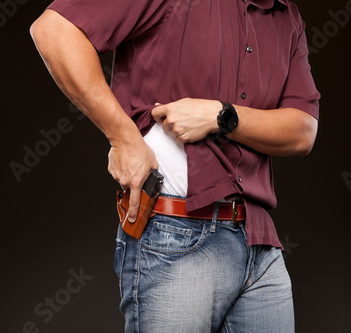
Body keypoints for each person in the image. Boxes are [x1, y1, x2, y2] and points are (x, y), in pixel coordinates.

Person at [30, 0, 320, 332]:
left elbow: (302, 131)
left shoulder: (287, 17)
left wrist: (219, 116)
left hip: (260, 244)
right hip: (174, 235)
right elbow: (54, 30)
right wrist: (123, 137)